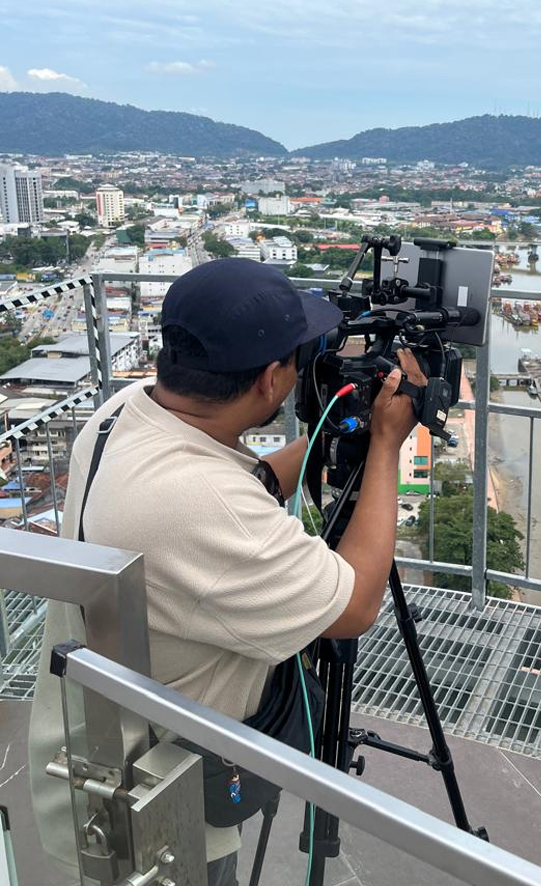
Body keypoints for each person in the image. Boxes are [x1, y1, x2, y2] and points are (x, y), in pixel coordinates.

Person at [28, 258, 426, 885]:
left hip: (97, 731)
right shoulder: (199, 503)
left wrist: (343, 428)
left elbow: (249, 481)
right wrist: (383, 446)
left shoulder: (129, 410)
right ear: (271, 379)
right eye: (299, 356)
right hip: (163, 793)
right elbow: (354, 609)